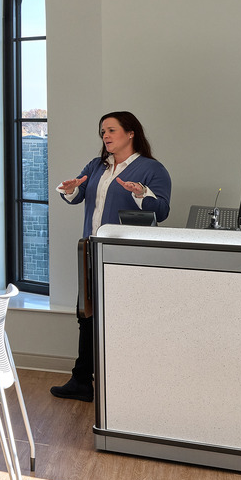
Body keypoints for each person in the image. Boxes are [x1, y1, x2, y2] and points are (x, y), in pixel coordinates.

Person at [51, 111, 171, 401]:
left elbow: (162, 211)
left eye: (112, 130)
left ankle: (124, 384)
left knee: (122, 319)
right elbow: (79, 197)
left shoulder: (151, 170)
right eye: (102, 131)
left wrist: (141, 193)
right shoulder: (97, 166)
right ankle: (81, 381)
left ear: (131, 133)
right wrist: (69, 190)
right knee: (88, 316)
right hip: (92, 251)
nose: (105, 136)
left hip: (126, 257)